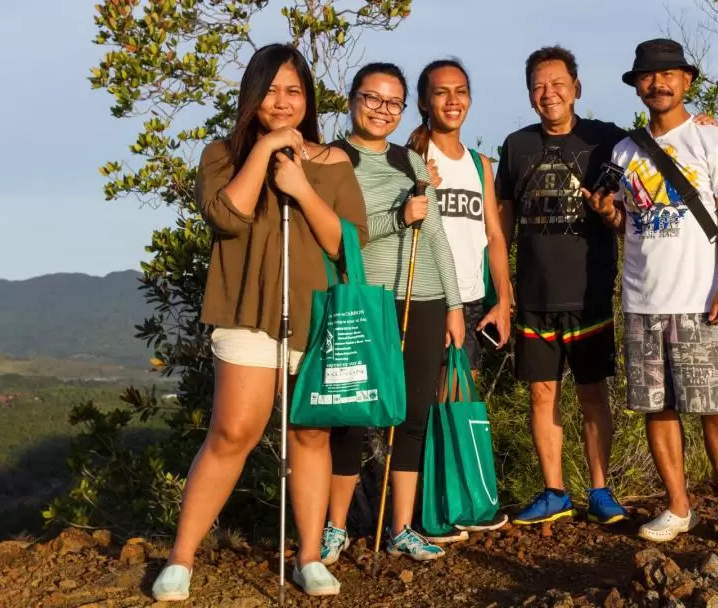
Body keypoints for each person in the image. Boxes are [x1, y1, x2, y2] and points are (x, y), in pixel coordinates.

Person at [150, 44, 368, 601]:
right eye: (271, 90)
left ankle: (310, 556)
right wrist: (267, 148)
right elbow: (227, 215)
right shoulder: (222, 153)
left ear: (309, 99)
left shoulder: (335, 162)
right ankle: (181, 559)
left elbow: (348, 243)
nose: (283, 101)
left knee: (310, 434)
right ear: (253, 95)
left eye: (294, 91)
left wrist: (301, 187)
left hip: (317, 316)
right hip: (247, 312)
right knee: (233, 432)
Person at [584, 38, 718, 548]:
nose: (658, 82)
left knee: (715, 406)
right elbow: (630, 222)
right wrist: (609, 215)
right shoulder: (625, 151)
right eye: (648, 75)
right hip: (642, 300)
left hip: (699, 297)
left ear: (687, 80)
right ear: (637, 85)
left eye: (669, 74)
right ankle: (678, 507)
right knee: (657, 408)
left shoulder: (713, 140)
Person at [320, 62, 466, 564]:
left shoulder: (412, 162)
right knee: (352, 416)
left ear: (404, 109)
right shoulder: (333, 159)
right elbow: (337, 238)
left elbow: (439, 237)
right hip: (368, 299)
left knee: (412, 417)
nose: (382, 110)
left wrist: (453, 305)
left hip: (424, 300)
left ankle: (402, 527)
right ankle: (333, 527)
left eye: (392, 103)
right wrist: (396, 218)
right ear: (352, 100)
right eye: (372, 98)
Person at [493, 46, 629, 526]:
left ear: (576, 87)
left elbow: (661, 149)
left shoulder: (607, 140)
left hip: (588, 291)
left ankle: (600, 490)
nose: (548, 93)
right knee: (540, 394)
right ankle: (554, 491)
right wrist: (502, 291)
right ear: (530, 94)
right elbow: (501, 225)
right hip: (532, 295)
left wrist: (702, 123)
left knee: (593, 393)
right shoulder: (516, 145)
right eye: (538, 85)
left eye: (557, 83)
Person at [405, 58, 513, 541]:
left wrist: (503, 299)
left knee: (457, 401)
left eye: (461, 91)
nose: (453, 100)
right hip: (425, 299)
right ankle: (424, 514)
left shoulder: (479, 164)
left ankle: (458, 500)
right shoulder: (410, 157)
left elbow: (493, 234)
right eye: (441, 92)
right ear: (424, 102)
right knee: (423, 404)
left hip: (471, 301)